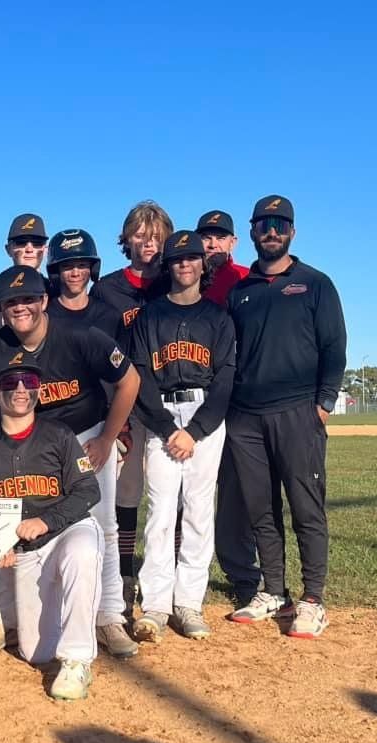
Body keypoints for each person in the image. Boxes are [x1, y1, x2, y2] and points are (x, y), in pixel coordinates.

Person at [0, 266, 141, 660]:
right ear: (2, 308)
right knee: (13, 525)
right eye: (12, 301)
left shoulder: (79, 334)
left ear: (44, 300)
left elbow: (129, 381)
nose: (21, 307)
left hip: (83, 436)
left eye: (29, 298)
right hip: (24, 441)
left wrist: (108, 437)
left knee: (103, 526)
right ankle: (6, 620)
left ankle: (109, 615)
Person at [225, 195, 347, 638]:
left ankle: (313, 599)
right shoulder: (241, 292)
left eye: (280, 224)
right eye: (264, 223)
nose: (271, 230)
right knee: (260, 510)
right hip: (246, 418)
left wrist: (324, 403)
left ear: (292, 232)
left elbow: (334, 348)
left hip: (298, 412)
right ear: (253, 230)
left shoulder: (314, 283)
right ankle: (273, 590)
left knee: (306, 509)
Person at [0, 349, 103, 701]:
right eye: (9, 382)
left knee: (83, 552)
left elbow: (89, 491)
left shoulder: (59, 434)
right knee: (35, 653)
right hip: (25, 549)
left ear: (39, 391)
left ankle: (77, 660)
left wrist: (46, 520)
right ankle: (53, 615)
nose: (19, 389)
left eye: (28, 382)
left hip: (67, 530)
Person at [128, 231, 235, 642]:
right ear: (168, 266)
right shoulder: (150, 317)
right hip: (162, 418)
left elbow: (225, 379)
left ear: (201, 265)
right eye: (177, 259)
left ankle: (188, 602)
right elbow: (141, 376)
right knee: (159, 513)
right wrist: (168, 428)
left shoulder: (218, 317)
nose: (185, 265)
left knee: (197, 510)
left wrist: (194, 431)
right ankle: (155, 604)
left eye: (192, 258)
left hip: (204, 415)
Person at [90, 201, 173, 614]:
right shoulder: (107, 288)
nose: (149, 243)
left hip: (163, 404)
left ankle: (166, 579)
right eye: (141, 235)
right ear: (127, 239)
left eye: (157, 236)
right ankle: (122, 575)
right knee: (124, 492)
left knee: (166, 494)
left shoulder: (173, 281)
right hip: (123, 406)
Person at [195, 210, 259, 606]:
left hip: (234, 400)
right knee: (191, 495)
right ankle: (184, 576)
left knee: (235, 492)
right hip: (191, 401)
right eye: (207, 236)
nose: (213, 243)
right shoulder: (185, 278)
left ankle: (241, 573)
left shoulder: (243, 281)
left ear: (233, 243)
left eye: (220, 237)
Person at [44, 229, 122, 339]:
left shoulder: (109, 317)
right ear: (56, 272)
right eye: (67, 267)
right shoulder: (45, 318)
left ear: (92, 269)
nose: (75, 273)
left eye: (82, 265)